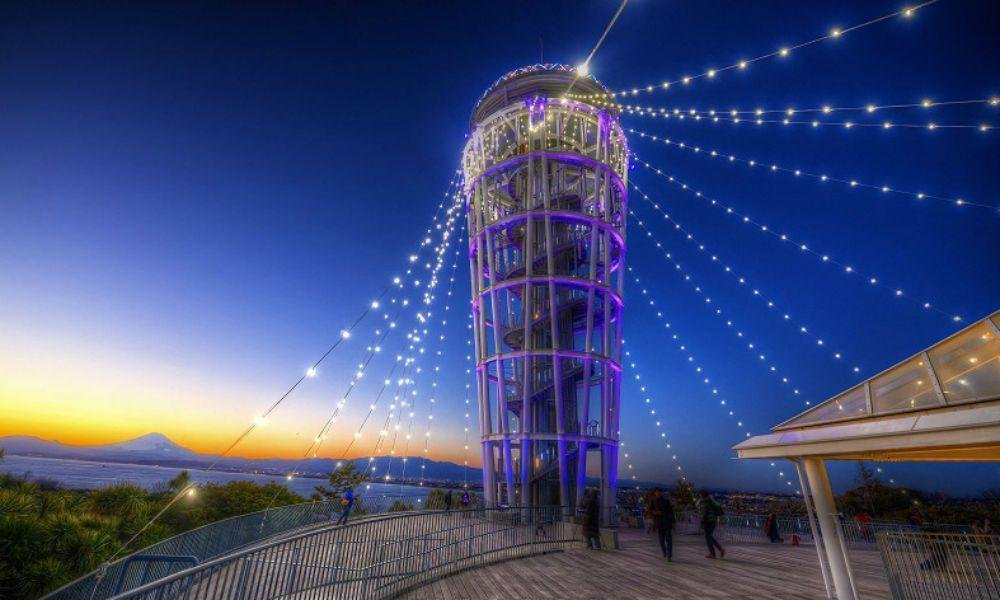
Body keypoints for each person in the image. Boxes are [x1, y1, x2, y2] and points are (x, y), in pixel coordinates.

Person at [697, 490, 725, 559]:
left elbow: (703, 514)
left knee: (708, 537)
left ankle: (713, 553)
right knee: (709, 536)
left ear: (702, 496)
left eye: (700, 495)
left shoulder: (704, 503)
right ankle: (719, 550)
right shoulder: (711, 501)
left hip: (708, 522)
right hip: (713, 521)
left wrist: (701, 521)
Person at [651, 488, 676, 561]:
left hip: (667, 523)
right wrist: (655, 513)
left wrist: (673, 522)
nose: (658, 493)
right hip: (659, 523)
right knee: (661, 541)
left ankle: (669, 555)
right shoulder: (653, 501)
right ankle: (665, 552)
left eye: (659, 492)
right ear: (655, 493)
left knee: (669, 540)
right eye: (657, 492)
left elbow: (671, 512)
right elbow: (650, 510)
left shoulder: (666, 501)